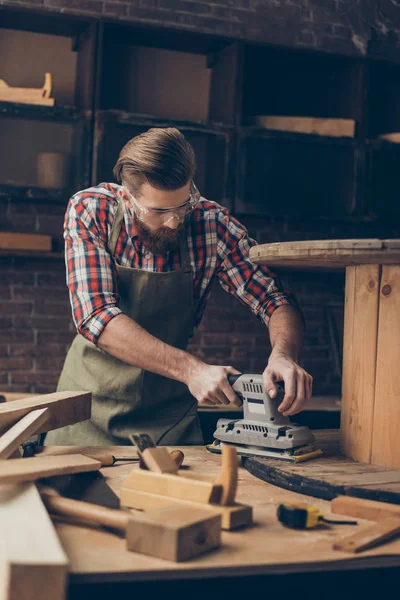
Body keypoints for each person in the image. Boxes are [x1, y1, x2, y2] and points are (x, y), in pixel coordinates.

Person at [45, 127, 312, 446]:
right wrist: (192, 370)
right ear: (126, 197)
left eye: (182, 206)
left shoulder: (211, 223)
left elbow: (275, 299)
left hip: (167, 421)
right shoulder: (90, 210)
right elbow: (96, 316)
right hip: (86, 412)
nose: (174, 221)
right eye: (159, 211)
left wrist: (284, 355)